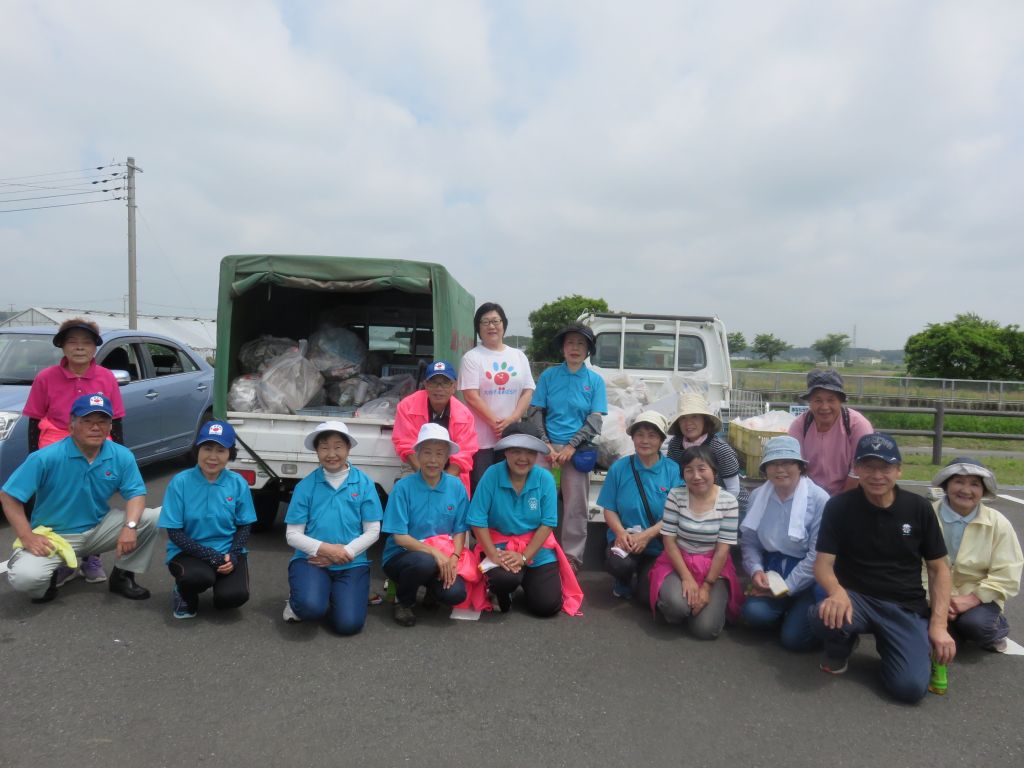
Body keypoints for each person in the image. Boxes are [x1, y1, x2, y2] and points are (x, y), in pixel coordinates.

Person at [808, 433, 956, 703]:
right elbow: (822, 565)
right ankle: (841, 647)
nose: (877, 475)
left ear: (899, 470)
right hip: (856, 599)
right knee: (821, 615)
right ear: (857, 469)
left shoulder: (919, 508)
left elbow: (939, 569)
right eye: (868, 466)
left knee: (909, 689)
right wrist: (836, 591)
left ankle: (902, 650)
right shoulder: (839, 506)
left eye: (885, 467)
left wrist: (938, 625)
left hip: (903, 605)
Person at [1, 393, 157, 603]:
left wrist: (130, 526)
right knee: (25, 578)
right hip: (55, 536)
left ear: (110, 426)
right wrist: (27, 536)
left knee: (154, 517)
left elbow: (136, 493)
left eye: (102, 421)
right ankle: (49, 576)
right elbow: (8, 496)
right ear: (71, 425)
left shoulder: (121, 455)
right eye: (87, 421)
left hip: (99, 528)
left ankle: (123, 576)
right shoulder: (45, 457)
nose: (95, 427)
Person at [22, 317, 127, 584]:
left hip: (96, 442)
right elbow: (34, 419)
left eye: (86, 342)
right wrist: (34, 456)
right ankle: (59, 557)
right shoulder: (46, 377)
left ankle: (91, 556)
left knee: (94, 496)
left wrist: (119, 455)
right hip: (56, 442)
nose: (79, 347)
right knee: (56, 501)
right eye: (72, 342)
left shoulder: (105, 377)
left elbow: (115, 419)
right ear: (62, 347)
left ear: (94, 348)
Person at [467, 422, 583, 617]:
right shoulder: (491, 475)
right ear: (505, 452)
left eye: (529, 452)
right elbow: (477, 520)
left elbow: (548, 523)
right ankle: (503, 590)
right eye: (516, 451)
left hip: (537, 548)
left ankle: (528, 580)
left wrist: (523, 557)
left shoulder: (544, 478)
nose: (523, 458)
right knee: (504, 580)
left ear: (537, 454)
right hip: (500, 546)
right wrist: (493, 554)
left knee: (547, 606)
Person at [283, 421, 383, 635]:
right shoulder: (306, 486)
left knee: (349, 625)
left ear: (348, 449)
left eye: (338, 447)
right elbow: (292, 535)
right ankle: (296, 600)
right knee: (310, 608)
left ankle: (331, 594)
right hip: (312, 561)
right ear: (317, 451)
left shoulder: (364, 483)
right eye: (324, 447)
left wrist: (344, 552)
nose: (331, 453)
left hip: (352, 562)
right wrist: (328, 550)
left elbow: (373, 530)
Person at [158, 421, 257, 620]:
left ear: (230, 453)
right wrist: (208, 555)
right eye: (207, 448)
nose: (212, 457)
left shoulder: (237, 483)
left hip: (226, 552)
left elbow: (245, 524)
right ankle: (184, 593)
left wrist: (234, 554)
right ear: (197, 449)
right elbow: (174, 533)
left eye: (220, 450)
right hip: (188, 552)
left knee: (233, 597)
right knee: (197, 578)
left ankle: (220, 588)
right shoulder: (181, 482)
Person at [529, 323, 607, 571]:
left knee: (576, 507)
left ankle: (571, 558)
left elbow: (595, 418)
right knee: (536, 500)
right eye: (570, 343)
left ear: (588, 351)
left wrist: (571, 447)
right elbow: (535, 412)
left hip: (577, 451)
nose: (575, 348)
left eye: (581, 344)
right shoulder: (549, 377)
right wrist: (546, 445)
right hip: (546, 449)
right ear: (562, 348)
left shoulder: (595, 381)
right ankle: (534, 550)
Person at [740, 436, 829, 651]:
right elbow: (750, 542)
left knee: (794, 641)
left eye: (788, 462)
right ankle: (789, 613)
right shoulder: (758, 497)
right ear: (765, 469)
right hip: (773, 571)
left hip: (809, 574)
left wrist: (788, 588)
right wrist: (756, 570)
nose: (780, 469)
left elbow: (817, 555)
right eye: (773, 463)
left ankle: (823, 628)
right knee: (753, 614)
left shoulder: (819, 500)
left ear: (800, 466)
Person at [382, 423, 473, 627]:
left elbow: (460, 529)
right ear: (417, 454)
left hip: (442, 555)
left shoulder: (456, 486)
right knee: (423, 562)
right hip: (402, 556)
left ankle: (433, 591)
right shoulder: (403, 487)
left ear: (447, 457)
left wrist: (454, 557)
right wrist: (435, 553)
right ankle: (403, 601)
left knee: (456, 594)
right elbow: (399, 536)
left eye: (440, 454)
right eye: (427, 453)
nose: (433, 460)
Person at [650, 445, 745, 639]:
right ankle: (680, 606)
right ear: (683, 473)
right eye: (689, 470)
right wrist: (686, 577)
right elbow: (669, 541)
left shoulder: (728, 502)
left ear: (714, 471)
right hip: (679, 561)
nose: (696, 476)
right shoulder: (676, 495)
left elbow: (722, 550)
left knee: (705, 630)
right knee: (676, 607)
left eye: (702, 469)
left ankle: (700, 607)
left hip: (713, 567)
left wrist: (707, 586)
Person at [929, 457, 1023, 652]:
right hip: (930, 592)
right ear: (946, 485)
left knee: (976, 626)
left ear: (984, 490)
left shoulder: (998, 523)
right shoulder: (926, 514)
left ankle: (996, 627)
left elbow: (1008, 572)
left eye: (974, 484)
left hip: (978, 597)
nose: (966, 490)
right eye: (959, 482)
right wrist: (935, 600)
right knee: (919, 633)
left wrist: (972, 599)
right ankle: (953, 627)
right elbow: (915, 563)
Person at [598, 410, 681, 601]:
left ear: (661, 441)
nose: (645, 440)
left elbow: (675, 513)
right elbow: (609, 508)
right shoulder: (619, 467)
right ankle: (624, 578)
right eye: (640, 435)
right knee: (620, 565)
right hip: (624, 540)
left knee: (645, 596)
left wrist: (646, 536)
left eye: (652, 436)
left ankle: (643, 574)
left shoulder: (672, 470)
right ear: (632, 438)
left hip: (657, 542)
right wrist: (620, 533)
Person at [458, 302, 536, 492]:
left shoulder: (518, 356)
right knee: (482, 487)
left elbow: (528, 390)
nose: (491, 326)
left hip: (511, 439)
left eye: (495, 321)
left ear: (504, 324)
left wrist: (513, 419)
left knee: (509, 487)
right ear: (478, 328)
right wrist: (497, 424)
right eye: (485, 322)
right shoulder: (472, 357)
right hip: (481, 441)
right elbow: (470, 395)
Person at [392, 360, 479, 496]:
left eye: (445, 383)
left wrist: (443, 483)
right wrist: (425, 478)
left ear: (454, 386)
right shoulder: (407, 406)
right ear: (425, 385)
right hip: (416, 466)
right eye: (434, 382)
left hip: (452, 470)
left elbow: (464, 454)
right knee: (403, 492)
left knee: (455, 499)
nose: (439, 388)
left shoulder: (465, 415)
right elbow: (405, 445)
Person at [787, 369, 873, 496]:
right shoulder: (799, 425)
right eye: (818, 400)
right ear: (809, 402)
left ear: (840, 401)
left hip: (852, 495)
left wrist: (838, 503)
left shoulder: (857, 425)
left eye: (831, 400)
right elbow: (794, 466)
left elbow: (860, 468)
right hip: (809, 494)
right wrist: (814, 499)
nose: (824, 407)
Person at [665, 392, 748, 515]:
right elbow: (673, 475)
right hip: (693, 500)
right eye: (683, 418)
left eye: (695, 417)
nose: (688, 423)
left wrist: (709, 512)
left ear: (705, 420)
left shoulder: (720, 449)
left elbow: (733, 489)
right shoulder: (675, 445)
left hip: (730, 505)